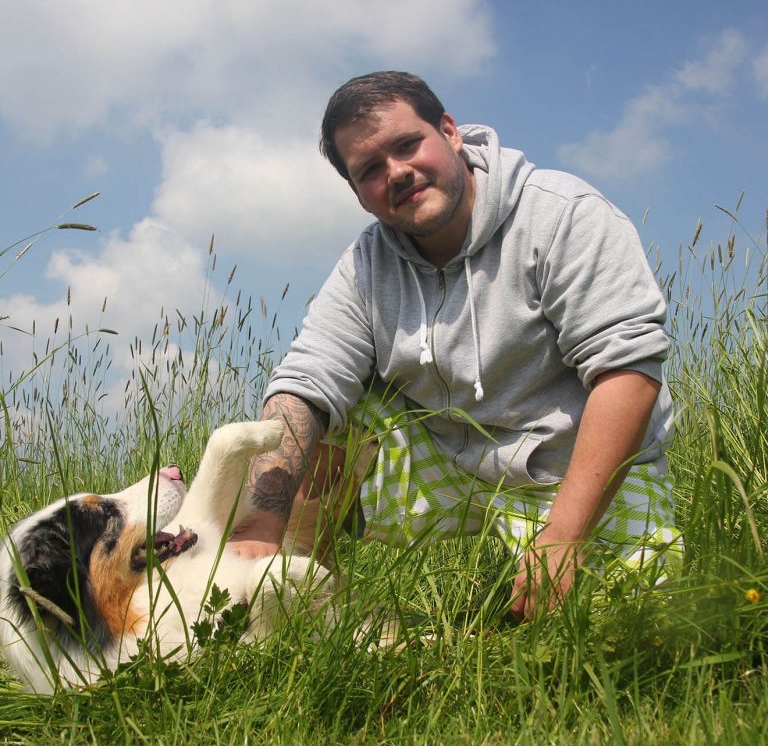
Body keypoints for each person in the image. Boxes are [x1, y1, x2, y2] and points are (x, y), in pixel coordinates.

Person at [229, 71, 681, 621]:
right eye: (370, 170)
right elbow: (306, 381)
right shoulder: (367, 266)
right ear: (356, 193)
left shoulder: (563, 214)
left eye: (406, 145)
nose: (396, 173)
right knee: (321, 413)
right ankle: (305, 610)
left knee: (634, 619)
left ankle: (555, 560)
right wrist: (257, 529)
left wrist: (562, 540)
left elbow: (628, 373)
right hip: (448, 460)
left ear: (449, 131)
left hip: (566, 465)